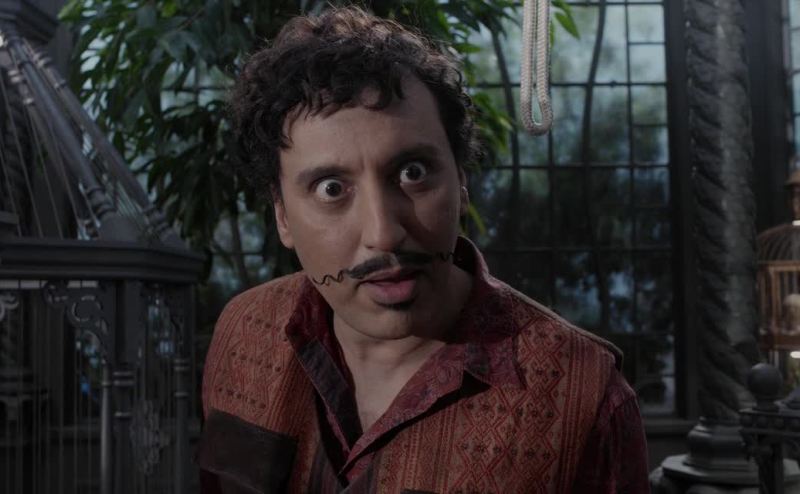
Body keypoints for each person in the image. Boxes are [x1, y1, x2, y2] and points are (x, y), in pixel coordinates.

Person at [196, 6, 650, 493]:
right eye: (331, 189)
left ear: (462, 182)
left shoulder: (583, 394)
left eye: (412, 173)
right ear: (283, 215)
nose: (384, 234)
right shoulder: (244, 332)